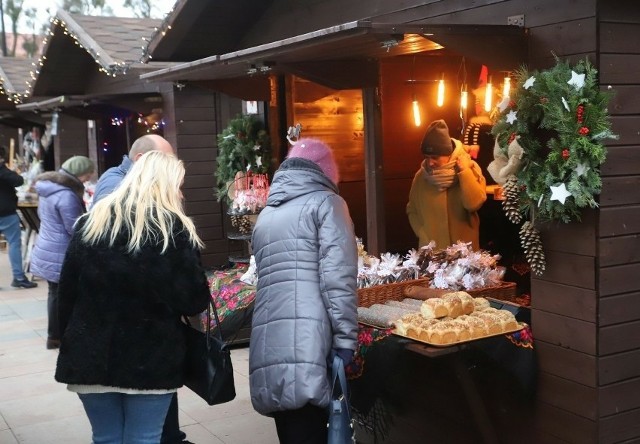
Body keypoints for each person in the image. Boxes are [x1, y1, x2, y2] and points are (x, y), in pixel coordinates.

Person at [54, 151, 211, 444]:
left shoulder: (90, 223)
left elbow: (66, 295)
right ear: (164, 186)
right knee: (145, 437)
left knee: (105, 437)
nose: (180, 192)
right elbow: (194, 301)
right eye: (178, 185)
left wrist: (71, 341)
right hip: (151, 357)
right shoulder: (173, 231)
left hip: (90, 354)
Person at [249, 138, 358, 444]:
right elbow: (338, 279)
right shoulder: (327, 203)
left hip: (269, 340)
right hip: (311, 339)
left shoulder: (267, 215)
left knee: (292, 429)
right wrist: (347, 339)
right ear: (326, 171)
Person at [91, 134, 191, 444]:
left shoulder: (96, 214)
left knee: (110, 437)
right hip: (138, 342)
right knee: (142, 436)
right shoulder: (158, 222)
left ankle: (172, 436)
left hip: (100, 346)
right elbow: (187, 294)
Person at [30, 156, 95, 349]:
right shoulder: (66, 195)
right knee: (64, 294)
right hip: (61, 251)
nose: (88, 178)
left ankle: (54, 336)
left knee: (55, 293)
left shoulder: (49, 189)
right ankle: (60, 335)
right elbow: (74, 227)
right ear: (79, 173)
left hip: (48, 246)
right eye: (87, 174)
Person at [407, 119, 487, 250]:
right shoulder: (421, 177)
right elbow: (412, 210)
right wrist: (422, 234)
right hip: (433, 253)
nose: (430, 162)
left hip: (464, 256)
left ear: (448, 154)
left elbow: (474, 204)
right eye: (427, 157)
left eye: (435, 157)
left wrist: (464, 172)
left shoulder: (470, 169)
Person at [92, 134, 174, 203]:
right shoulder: (116, 185)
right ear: (140, 159)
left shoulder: (132, 181)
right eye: (163, 159)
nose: (168, 165)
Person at [0, 145, 37, 289]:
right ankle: (19, 277)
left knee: (14, 244)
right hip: (6, 213)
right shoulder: (3, 171)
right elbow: (19, 181)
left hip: (6, 212)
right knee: (14, 244)